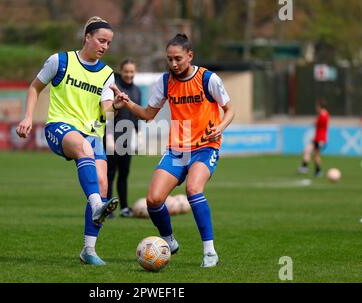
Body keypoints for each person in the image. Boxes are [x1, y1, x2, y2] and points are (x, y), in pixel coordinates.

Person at [112, 33, 235, 267]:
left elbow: (229, 110)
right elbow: (149, 115)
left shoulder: (208, 79)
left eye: (178, 58)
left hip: (204, 147)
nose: (174, 64)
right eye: (169, 59)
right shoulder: (165, 81)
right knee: (153, 200)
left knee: (193, 189)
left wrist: (219, 128)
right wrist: (126, 102)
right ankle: (169, 240)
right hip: (177, 149)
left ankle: (209, 251)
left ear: (190, 55)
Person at [16, 16, 123, 266]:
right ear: (87, 37)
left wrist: (115, 107)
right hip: (59, 127)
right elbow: (35, 88)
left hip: (92, 133)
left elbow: (106, 111)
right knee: (85, 153)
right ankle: (98, 205)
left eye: (109, 43)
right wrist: (29, 117)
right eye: (101, 40)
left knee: (103, 185)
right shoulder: (60, 61)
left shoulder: (107, 74)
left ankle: (89, 250)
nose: (105, 46)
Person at [104, 59, 142, 218]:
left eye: (132, 71)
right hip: (112, 137)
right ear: (121, 70)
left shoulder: (137, 91)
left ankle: (124, 208)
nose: (129, 74)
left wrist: (139, 135)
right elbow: (108, 113)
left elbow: (136, 115)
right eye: (126, 71)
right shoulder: (114, 88)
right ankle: (107, 208)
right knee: (109, 174)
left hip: (127, 139)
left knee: (124, 174)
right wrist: (109, 137)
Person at [297, 99, 330, 177]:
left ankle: (317, 171)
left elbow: (318, 124)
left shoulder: (323, 115)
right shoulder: (322, 114)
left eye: (317, 106)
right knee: (307, 150)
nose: (316, 108)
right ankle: (305, 167)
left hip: (321, 139)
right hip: (317, 138)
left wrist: (315, 122)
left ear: (320, 106)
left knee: (315, 155)